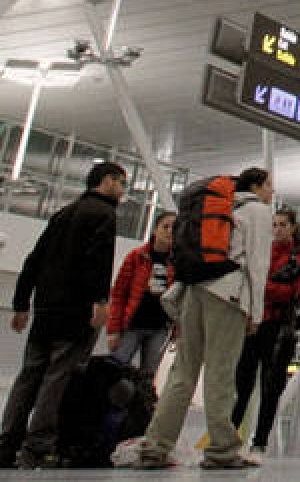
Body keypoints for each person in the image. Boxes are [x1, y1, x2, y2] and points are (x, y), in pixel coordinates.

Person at [139, 167, 275, 470]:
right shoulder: (257, 211)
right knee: (221, 371)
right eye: (268, 186)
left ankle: (155, 446)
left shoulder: (219, 207)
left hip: (194, 290)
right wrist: (255, 312)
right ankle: (222, 450)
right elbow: (257, 262)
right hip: (228, 295)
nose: (272, 192)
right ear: (255, 186)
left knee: (182, 372)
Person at [0, 162, 125, 469]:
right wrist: (99, 300)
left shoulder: (64, 213)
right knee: (57, 378)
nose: (124, 190)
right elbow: (98, 259)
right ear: (107, 181)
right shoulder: (105, 215)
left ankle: (7, 442)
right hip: (75, 311)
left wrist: (20, 304)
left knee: (29, 375)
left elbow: (34, 259)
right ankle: (37, 446)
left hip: (45, 310)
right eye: (121, 183)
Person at [231, 207, 300, 454]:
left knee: (271, 386)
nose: (277, 229)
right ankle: (230, 434)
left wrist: (260, 287)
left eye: (282, 225)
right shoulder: (264, 251)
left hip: (278, 327)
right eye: (274, 224)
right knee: (243, 383)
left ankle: (260, 441)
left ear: (293, 227)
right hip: (255, 323)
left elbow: (291, 291)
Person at [107, 209, 177, 372]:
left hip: (159, 329)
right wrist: (113, 329)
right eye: (165, 227)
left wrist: (176, 331)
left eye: (174, 228)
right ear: (155, 229)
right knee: (114, 372)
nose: (170, 232)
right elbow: (118, 294)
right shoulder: (136, 256)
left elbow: (180, 301)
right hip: (131, 325)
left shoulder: (179, 263)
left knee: (147, 376)